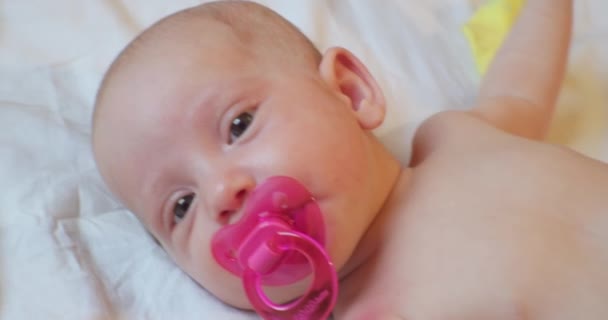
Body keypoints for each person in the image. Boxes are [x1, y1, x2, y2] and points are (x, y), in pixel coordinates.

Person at [92, 0, 608, 318]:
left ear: (352, 91)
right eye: (181, 206)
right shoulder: (379, 312)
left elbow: (521, 85)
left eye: (239, 125)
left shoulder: (455, 136)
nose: (221, 194)